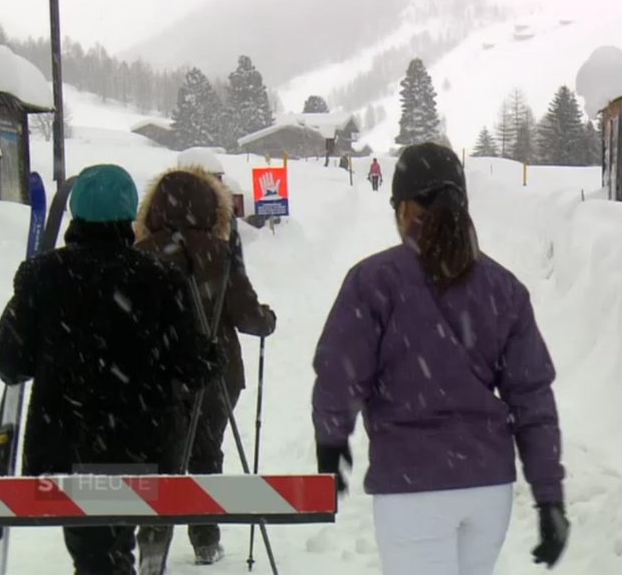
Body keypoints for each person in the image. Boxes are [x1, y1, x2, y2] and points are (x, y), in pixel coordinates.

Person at [312, 142, 569, 575]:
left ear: (406, 207)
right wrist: (549, 497)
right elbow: (532, 397)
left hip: (412, 489)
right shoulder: (503, 287)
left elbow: (341, 371)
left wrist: (331, 439)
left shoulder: (374, 281)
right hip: (488, 491)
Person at [0, 164, 220, 575]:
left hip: (66, 451)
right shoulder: (160, 280)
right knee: (108, 554)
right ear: (129, 214)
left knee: (96, 554)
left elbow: (9, 363)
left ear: (76, 214)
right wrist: (209, 352)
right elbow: (193, 367)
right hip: (141, 452)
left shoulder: (42, 276)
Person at [133, 163, 278, 570]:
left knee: (162, 456)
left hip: (159, 370)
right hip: (217, 370)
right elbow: (247, 315)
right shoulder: (219, 253)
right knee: (206, 450)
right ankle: (206, 539)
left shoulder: (141, 254)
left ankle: (153, 539)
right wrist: (265, 320)